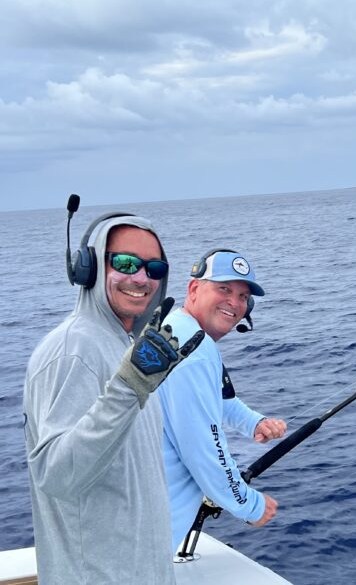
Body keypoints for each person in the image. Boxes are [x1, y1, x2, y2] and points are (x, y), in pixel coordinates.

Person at [23, 212, 203, 585]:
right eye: (125, 263)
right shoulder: (73, 348)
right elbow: (57, 476)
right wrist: (129, 386)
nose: (141, 278)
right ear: (89, 268)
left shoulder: (125, 347)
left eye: (154, 268)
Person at [158, 248, 287, 551]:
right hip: (146, 537)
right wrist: (250, 505)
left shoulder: (179, 330)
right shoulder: (197, 354)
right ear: (194, 289)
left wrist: (254, 422)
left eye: (243, 296)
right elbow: (206, 451)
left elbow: (218, 398)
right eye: (224, 289)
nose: (235, 303)